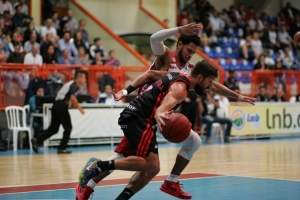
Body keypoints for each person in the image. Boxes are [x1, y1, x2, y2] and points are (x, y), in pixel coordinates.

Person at [75, 23, 257, 200]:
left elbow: (212, 85)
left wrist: (237, 96)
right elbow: (153, 42)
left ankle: (92, 185)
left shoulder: (189, 71)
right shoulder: (166, 56)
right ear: (179, 44)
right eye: (189, 51)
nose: (190, 55)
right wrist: (178, 30)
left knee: (137, 160)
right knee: (148, 161)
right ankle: (93, 182)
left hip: (157, 118)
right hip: (148, 113)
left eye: (193, 53)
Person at [31, 71, 86, 154]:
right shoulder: (74, 85)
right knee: (68, 128)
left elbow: (69, 97)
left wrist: (71, 104)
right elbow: (73, 98)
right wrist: (80, 109)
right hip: (61, 106)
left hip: (56, 105)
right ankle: (62, 148)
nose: (85, 80)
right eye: (84, 78)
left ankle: (37, 139)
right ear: (79, 78)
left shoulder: (72, 84)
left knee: (54, 128)